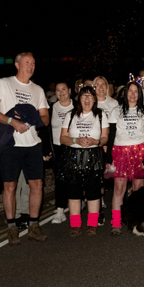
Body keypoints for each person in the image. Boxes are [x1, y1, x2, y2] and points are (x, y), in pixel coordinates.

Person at [0, 52, 51, 245]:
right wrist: (12, 121)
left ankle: (33, 226)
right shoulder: (4, 83)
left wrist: (32, 121)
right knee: (10, 186)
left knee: (37, 185)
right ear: (17, 64)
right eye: (26, 63)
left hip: (32, 145)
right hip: (10, 144)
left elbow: (45, 118)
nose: (30, 66)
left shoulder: (38, 90)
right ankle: (11, 227)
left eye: (33, 63)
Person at [106, 81, 144, 235]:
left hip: (139, 153)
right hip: (120, 152)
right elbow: (111, 135)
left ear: (139, 94)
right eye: (130, 91)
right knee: (119, 189)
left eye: (136, 91)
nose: (133, 94)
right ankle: (116, 223)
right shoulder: (116, 111)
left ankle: (137, 221)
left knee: (138, 190)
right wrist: (109, 158)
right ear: (125, 93)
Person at [60, 86, 109, 236]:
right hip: (73, 156)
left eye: (90, 96)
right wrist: (76, 140)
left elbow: (105, 137)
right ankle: (75, 225)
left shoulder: (100, 115)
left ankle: (92, 225)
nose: (87, 99)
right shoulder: (71, 115)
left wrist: (95, 142)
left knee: (93, 191)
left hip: (93, 156)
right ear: (79, 99)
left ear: (94, 99)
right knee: (73, 191)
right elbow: (62, 138)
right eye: (84, 96)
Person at [48, 82, 74, 224]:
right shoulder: (52, 108)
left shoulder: (77, 106)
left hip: (75, 146)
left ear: (69, 90)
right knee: (60, 179)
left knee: (75, 177)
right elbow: (47, 129)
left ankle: (75, 203)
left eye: (64, 89)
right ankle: (60, 209)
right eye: (58, 90)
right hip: (58, 148)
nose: (61, 92)